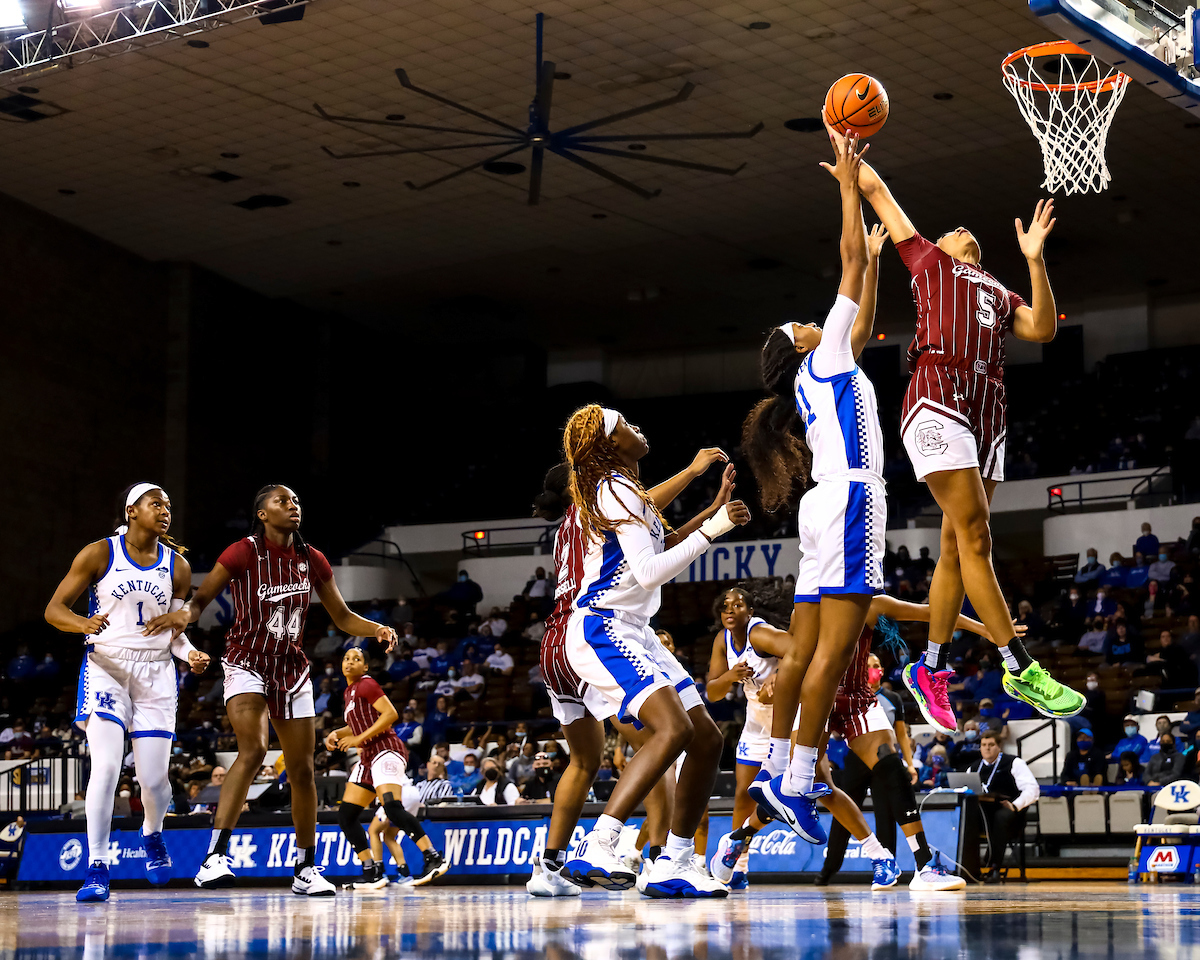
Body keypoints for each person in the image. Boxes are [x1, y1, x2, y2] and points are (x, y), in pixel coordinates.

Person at [855, 149, 1082, 729]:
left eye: (965, 230)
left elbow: (1043, 328)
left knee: (957, 545)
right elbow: (876, 191)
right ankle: (1020, 666)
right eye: (952, 230)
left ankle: (929, 667)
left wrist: (1035, 261)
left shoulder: (1000, 291)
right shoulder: (928, 261)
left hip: (989, 412)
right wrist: (845, 143)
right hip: (938, 397)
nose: (961, 229)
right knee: (977, 535)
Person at [740, 128, 892, 845]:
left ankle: (777, 764)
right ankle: (800, 776)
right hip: (854, 497)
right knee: (838, 646)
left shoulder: (821, 369)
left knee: (804, 648)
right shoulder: (821, 355)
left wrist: (874, 260)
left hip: (823, 506)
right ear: (797, 341)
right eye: (801, 322)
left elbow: (863, 314)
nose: (812, 320)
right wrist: (849, 187)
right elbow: (849, 262)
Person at [145, 483, 397, 895]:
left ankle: (305, 869)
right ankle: (214, 857)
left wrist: (376, 629)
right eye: (282, 501)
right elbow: (201, 599)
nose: (293, 505)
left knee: (302, 771)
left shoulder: (312, 558)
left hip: (291, 668)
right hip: (246, 661)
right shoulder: (242, 552)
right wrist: (184, 615)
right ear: (262, 513)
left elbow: (341, 615)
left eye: (295, 500)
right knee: (255, 749)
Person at [558, 405, 749, 899]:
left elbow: (662, 545)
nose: (636, 427)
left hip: (635, 628)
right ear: (609, 443)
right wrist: (712, 529)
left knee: (706, 740)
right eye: (624, 424)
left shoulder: (626, 491)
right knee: (674, 728)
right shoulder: (613, 487)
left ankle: (675, 863)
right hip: (602, 625)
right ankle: (600, 843)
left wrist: (712, 513)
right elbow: (648, 573)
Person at [714, 595, 992, 891]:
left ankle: (924, 866)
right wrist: (781, 675)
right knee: (798, 786)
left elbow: (933, 611)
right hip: (815, 699)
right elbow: (794, 653)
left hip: (857, 699)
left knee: (891, 765)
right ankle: (739, 837)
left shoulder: (870, 603)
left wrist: (986, 629)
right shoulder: (806, 609)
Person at [44, 483, 210, 903]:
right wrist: (81, 624)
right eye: (156, 504)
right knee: (105, 766)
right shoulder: (99, 553)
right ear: (131, 511)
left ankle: (152, 832)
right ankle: (97, 866)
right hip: (107, 667)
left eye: (168, 505)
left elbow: (174, 632)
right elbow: (54, 609)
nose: (165, 510)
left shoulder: (178, 566)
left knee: (154, 780)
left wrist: (190, 653)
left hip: (156, 673)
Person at [326, 648, 448, 890]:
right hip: (368, 757)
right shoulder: (349, 692)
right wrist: (337, 733)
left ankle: (433, 857)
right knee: (346, 815)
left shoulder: (367, 684)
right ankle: (371, 871)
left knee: (392, 807)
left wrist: (358, 738)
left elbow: (390, 714)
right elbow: (359, 724)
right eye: (346, 658)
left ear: (365, 667)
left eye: (357, 659)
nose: (350, 662)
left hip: (386, 749)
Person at [967, 732, 1039, 882]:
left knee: (1000, 817)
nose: (987, 748)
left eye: (991, 745)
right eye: (984, 745)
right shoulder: (973, 767)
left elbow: (1032, 789)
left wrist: (1015, 805)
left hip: (1009, 812)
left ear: (999, 747)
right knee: (964, 818)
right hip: (983, 812)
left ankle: (994, 867)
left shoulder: (1014, 762)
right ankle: (968, 869)